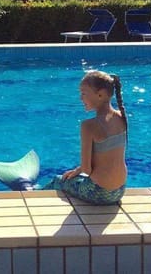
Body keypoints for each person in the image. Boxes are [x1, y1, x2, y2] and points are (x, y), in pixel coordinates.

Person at [43, 70, 127, 205]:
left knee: (58, 180)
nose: (80, 98)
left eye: (83, 93)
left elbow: (87, 169)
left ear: (100, 94)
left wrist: (79, 171)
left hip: (98, 192)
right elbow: (106, 160)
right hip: (119, 191)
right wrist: (78, 170)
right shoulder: (121, 117)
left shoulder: (89, 126)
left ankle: (30, 196)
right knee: (74, 177)